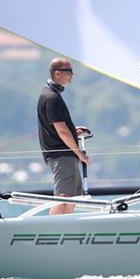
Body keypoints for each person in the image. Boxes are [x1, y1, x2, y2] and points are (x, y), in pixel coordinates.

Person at [37, 57, 88, 215]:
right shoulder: (52, 97)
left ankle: (64, 230)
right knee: (63, 196)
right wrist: (80, 154)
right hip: (61, 155)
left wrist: (74, 130)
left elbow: (63, 128)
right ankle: (52, 233)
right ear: (57, 73)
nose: (72, 75)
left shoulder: (51, 95)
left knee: (73, 197)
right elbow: (62, 131)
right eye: (69, 71)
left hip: (64, 155)